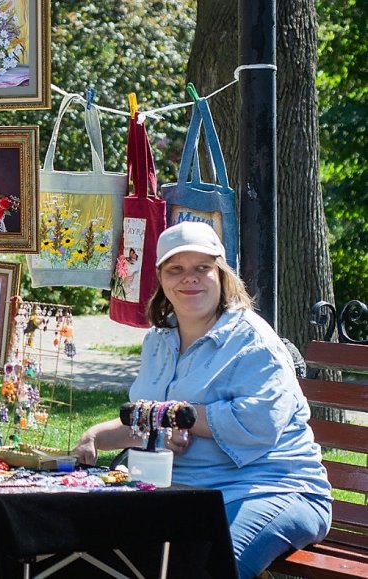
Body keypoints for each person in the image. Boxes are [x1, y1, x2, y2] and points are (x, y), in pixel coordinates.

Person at [73, 221, 331, 578]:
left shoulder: (253, 342)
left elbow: (259, 425)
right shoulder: (159, 341)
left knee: (213, 565)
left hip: (269, 489)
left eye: (202, 268)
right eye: (176, 269)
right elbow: (148, 418)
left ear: (222, 275)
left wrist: (180, 415)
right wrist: (96, 436)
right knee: (93, 548)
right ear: (161, 279)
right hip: (187, 493)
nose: (188, 278)